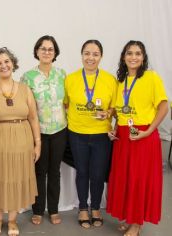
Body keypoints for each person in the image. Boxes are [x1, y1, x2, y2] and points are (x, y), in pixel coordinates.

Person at [0, 47, 41, 236]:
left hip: (22, 143)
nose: (3, 65)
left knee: (16, 179)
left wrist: (38, 143)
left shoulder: (25, 89)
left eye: (6, 61)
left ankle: (12, 220)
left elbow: (34, 118)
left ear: (13, 64)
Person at [107, 41, 168, 236]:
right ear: (123, 57)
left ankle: (137, 223)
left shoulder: (151, 78)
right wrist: (114, 129)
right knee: (126, 177)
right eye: (130, 53)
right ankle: (129, 215)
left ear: (143, 58)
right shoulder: (121, 81)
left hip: (143, 135)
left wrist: (149, 131)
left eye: (138, 53)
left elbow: (164, 106)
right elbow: (119, 111)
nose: (133, 57)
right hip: (124, 136)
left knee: (139, 179)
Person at [64, 40, 117, 229]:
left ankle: (95, 208)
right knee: (82, 173)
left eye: (95, 54)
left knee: (97, 173)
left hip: (101, 135)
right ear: (81, 55)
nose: (90, 57)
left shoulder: (110, 80)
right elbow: (65, 104)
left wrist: (108, 113)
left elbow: (115, 107)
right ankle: (83, 208)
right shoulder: (70, 79)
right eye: (87, 53)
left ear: (101, 56)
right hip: (77, 133)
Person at [21, 35, 67, 225]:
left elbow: (68, 101)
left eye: (50, 49)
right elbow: (24, 106)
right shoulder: (27, 77)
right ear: (37, 51)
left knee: (55, 171)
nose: (47, 52)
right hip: (37, 132)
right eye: (43, 48)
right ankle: (38, 209)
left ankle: (54, 210)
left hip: (59, 130)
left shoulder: (62, 75)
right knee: (39, 171)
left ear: (55, 53)